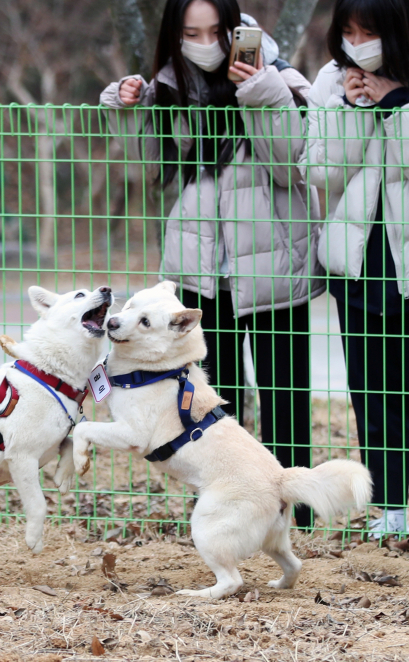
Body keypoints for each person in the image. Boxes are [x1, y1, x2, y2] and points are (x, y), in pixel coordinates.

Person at [100, 0, 323, 527]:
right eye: (190, 32)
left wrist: (260, 92)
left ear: (236, 30)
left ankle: (297, 513)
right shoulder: (168, 89)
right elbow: (151, 168)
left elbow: (292, 164)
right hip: (198, 268)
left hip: (275, 264)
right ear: (173, 36)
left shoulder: (283, 81)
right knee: (206, 404)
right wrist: (129, 111)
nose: (203, 42)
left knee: (286, 390)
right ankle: (226, 506)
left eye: (216, 31)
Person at [303, 0, 409, 537]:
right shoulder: (331, 80)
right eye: (348, 30)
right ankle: (392, 505)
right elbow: (321, 169)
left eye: (368, 30)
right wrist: (352, 109)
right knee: (373, 385)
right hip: (360, 258)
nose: (357, 41)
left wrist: (399, 104)